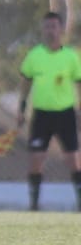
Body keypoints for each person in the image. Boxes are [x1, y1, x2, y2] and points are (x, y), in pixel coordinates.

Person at [16, 11, 81, 211]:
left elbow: (79, 84)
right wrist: (22, 107)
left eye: (54, 26)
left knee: (74, 160)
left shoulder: (71, 56)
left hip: (65, 114)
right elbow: (26, 82)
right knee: (36, 159)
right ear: (43, 30)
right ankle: (34, 205)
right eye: (47, 26)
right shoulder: (35, 55)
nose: (50, 30)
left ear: (60, 29)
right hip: (42, 115)